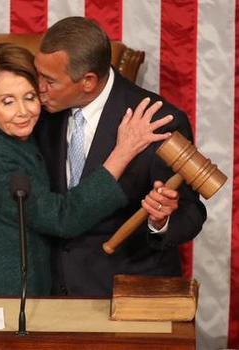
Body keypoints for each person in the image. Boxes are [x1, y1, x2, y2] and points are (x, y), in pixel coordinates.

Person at [0, 43, 173, 296]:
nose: (23, 112)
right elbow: (62, 218)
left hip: (31, 296)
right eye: (7, 102)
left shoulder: (20, 132)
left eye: (29, 97)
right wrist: (123, 152)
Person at [34, 17, 207, 297]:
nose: (38, 87)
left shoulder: (159, 123)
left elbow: (191, 212)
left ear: (88, 81)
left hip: (123, 293)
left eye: (49, 81)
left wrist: (161, 220)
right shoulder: (38, 110)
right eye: (38, 74)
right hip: (49, 292)